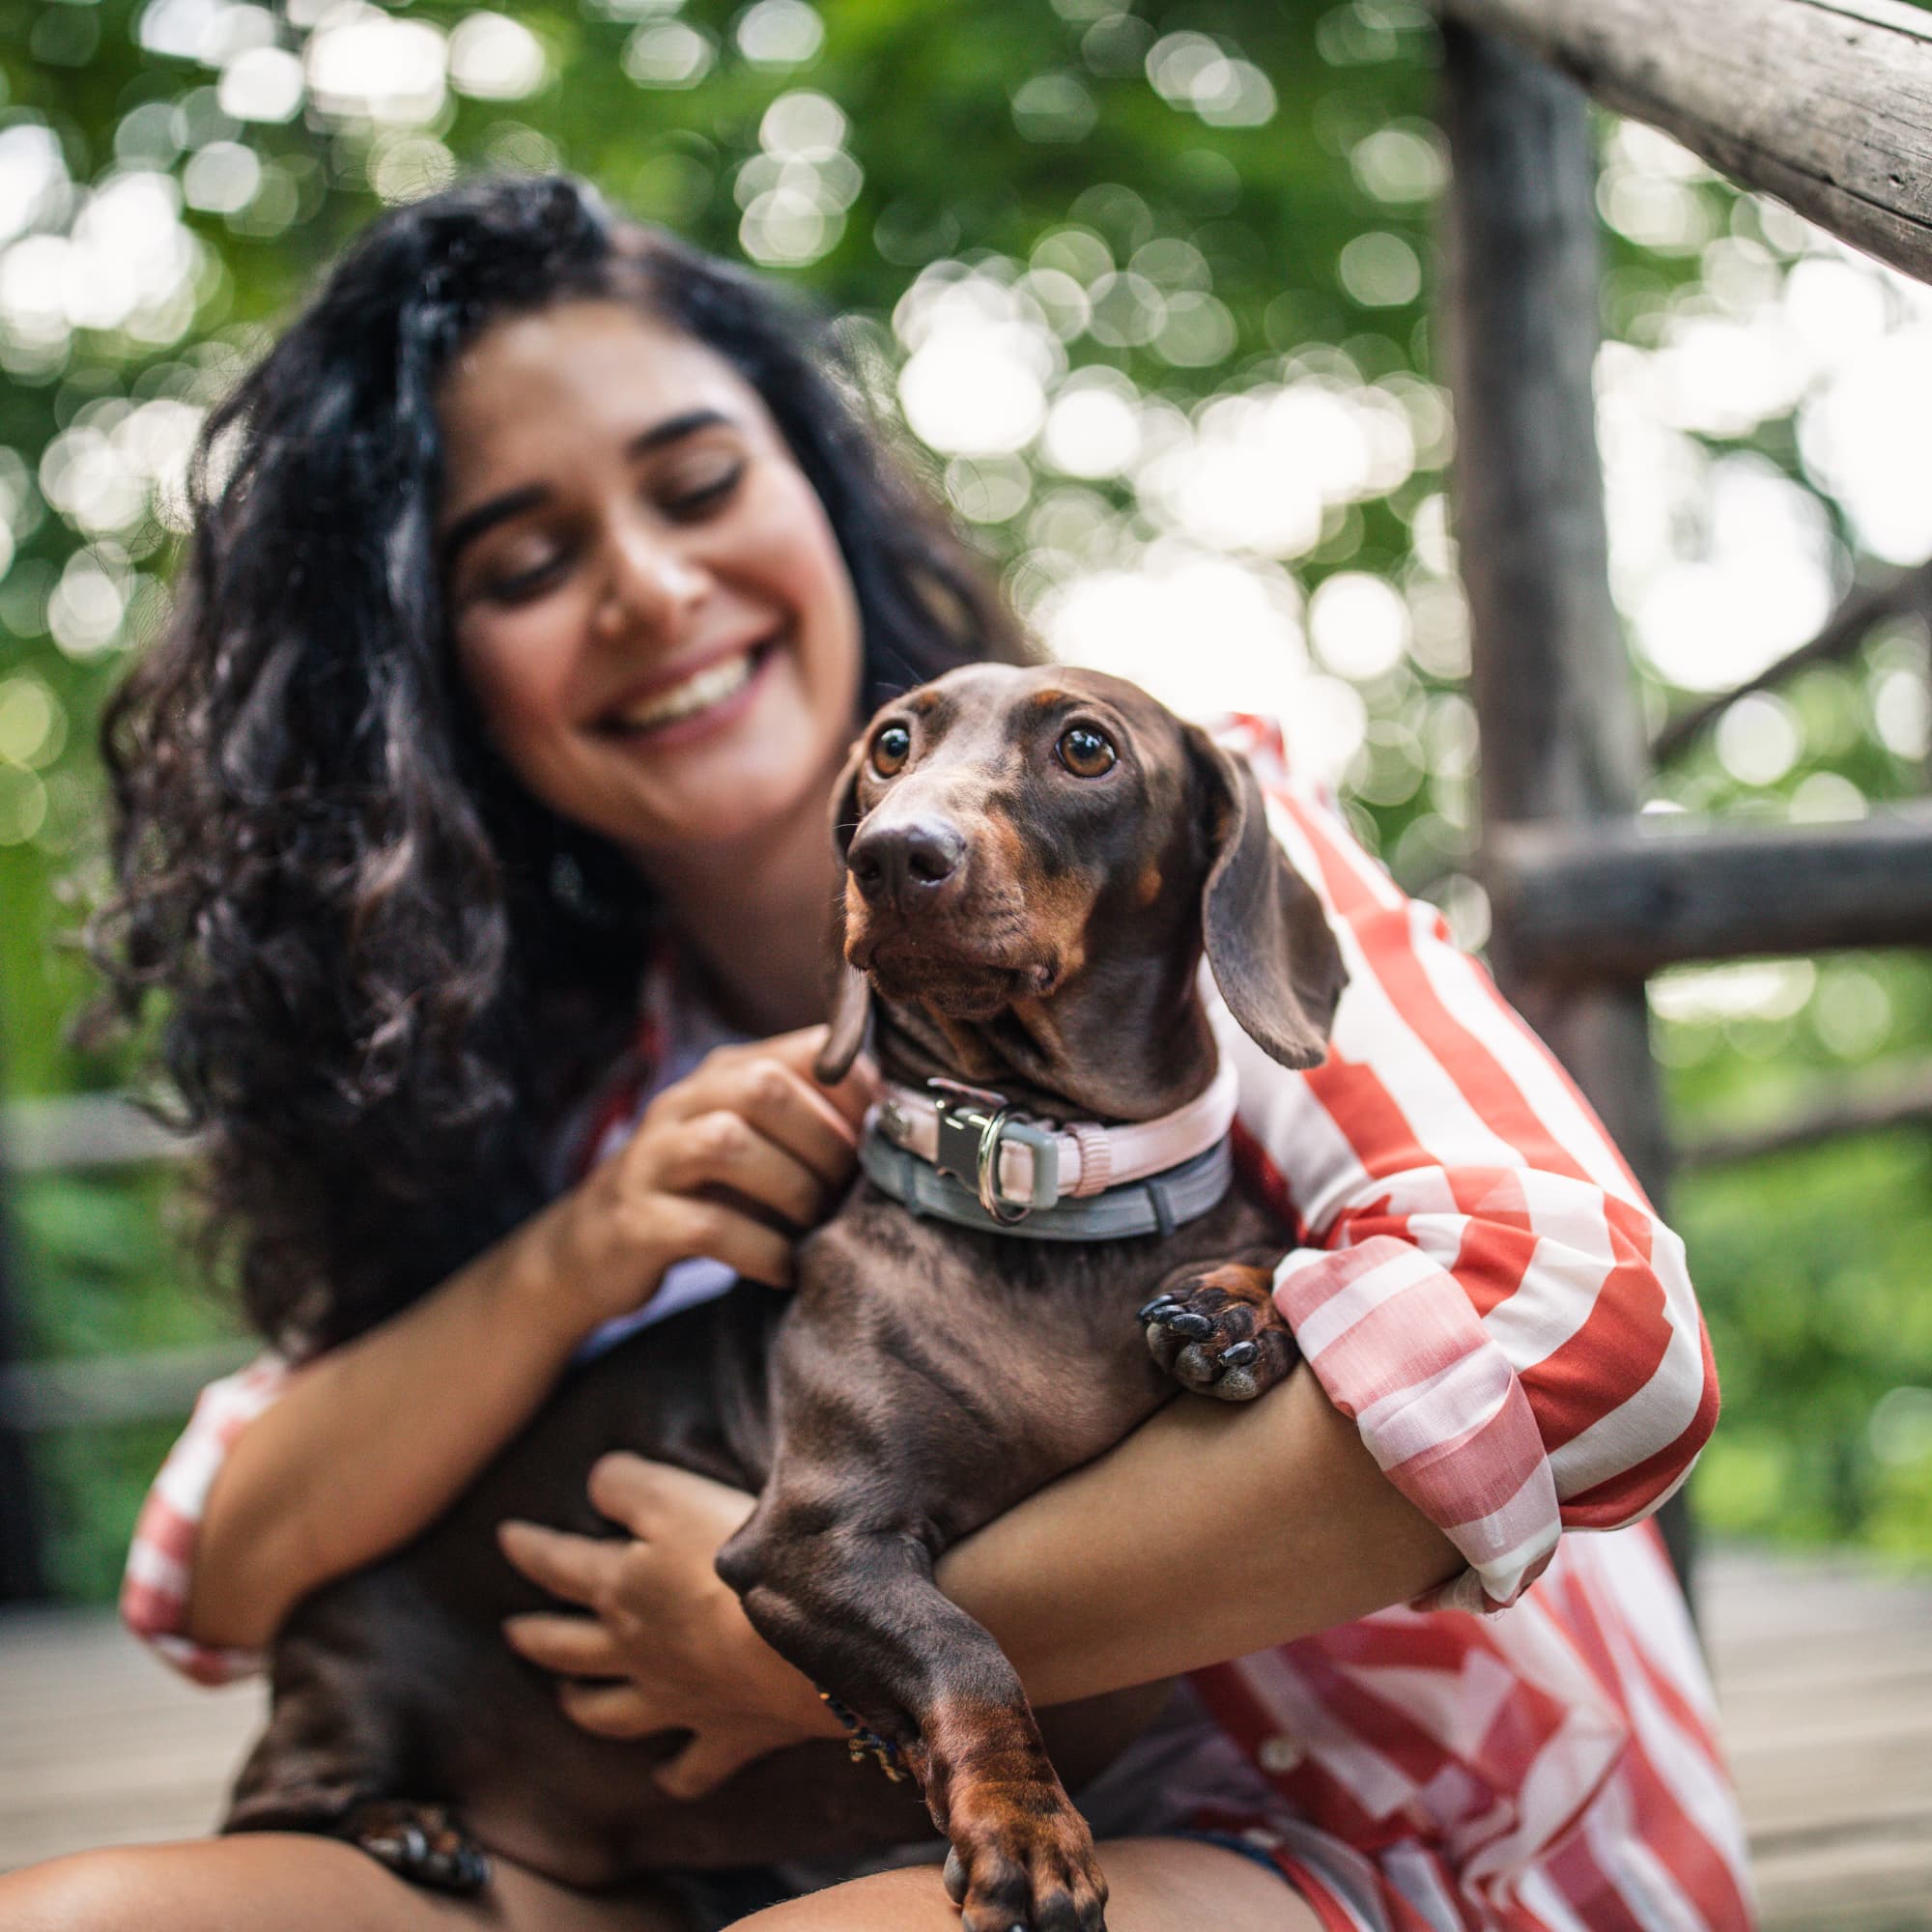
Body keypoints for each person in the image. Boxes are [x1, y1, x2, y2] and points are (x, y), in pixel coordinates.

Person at [1, 175, 1750, 1932]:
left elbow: (1595, 1330)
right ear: (428, 675)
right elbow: (214, 1565)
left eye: (698, 486)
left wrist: (807, 1644)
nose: (651, 589)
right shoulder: (568, 1071)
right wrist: (578, 1253)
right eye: (526, 564)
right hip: (712, 1851)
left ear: (820, 496)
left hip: (1391, 1835)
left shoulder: (1185, 848)